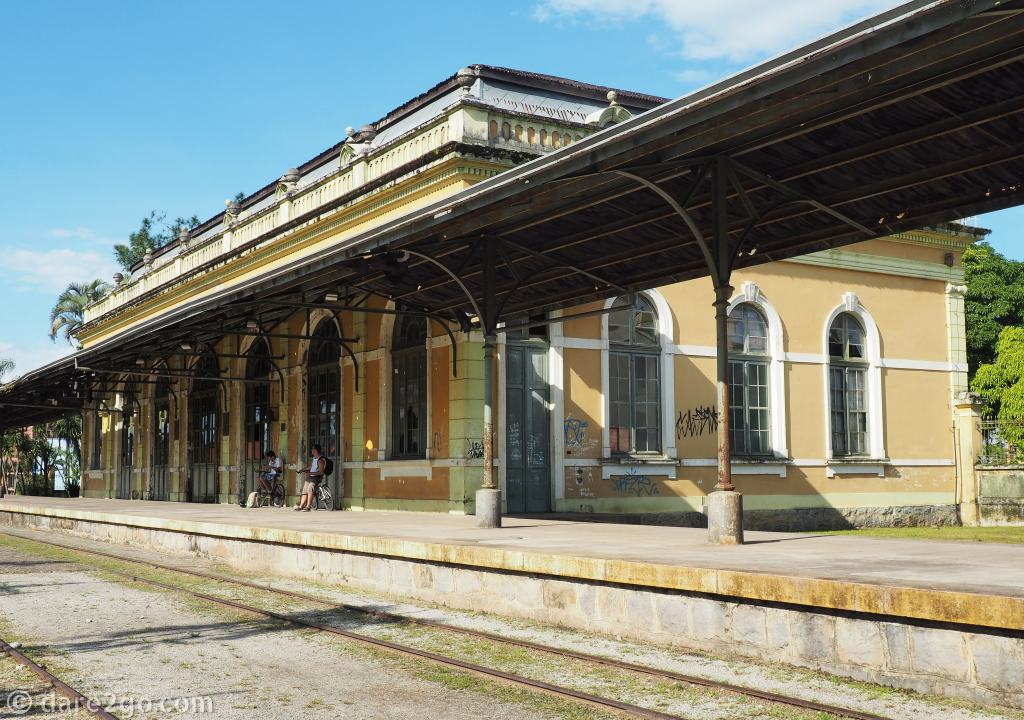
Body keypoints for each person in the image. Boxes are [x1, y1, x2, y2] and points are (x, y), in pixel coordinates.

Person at [294, 444, 324, 512]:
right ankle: (301, 506)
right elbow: (311, 467)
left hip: (316, 477)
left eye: (312, 449)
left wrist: (310, 473)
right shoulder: (314, 458)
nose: (311, 451)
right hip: (311, 477)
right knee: (304, 490)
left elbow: (320, 472)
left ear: (315, 450)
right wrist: (302, 470)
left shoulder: (320, 460)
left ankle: (308, 506)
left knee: (310, 489)